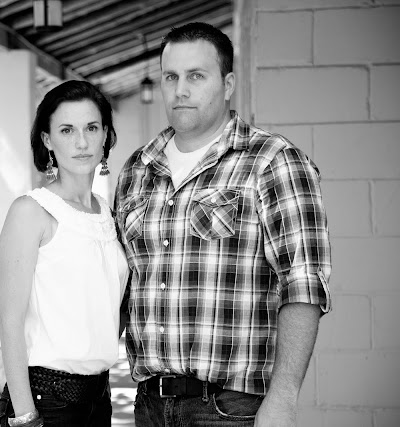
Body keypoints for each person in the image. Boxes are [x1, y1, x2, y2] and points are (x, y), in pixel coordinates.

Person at [114, 22, 331, 427]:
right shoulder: (136, 169)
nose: (181, 90)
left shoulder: (272, 161)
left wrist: (283, 398)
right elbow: (121, 285)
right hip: (148, 405)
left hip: (229, 410)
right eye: (171, 77)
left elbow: (303, 284)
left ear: (228, 84)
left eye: (196, 76)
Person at [0, 80, 129, 427]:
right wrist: (25, 417)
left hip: (99, 396)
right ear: (47, 140)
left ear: (105, 136)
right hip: (46, 400)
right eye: (67, 130)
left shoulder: (107, 213)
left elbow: (110, 307)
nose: (81, 142)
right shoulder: (31, 211)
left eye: (91, 128)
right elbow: (10, 322)